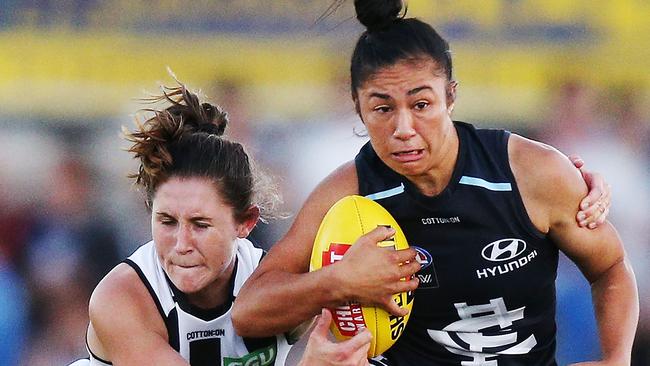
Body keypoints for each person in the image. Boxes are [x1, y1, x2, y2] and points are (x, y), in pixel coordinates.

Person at [232, 1, 638, 365]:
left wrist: (617, 357)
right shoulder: (348, 193)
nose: (403, 128)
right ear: (357, 107)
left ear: (451, 97)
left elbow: (611, 267)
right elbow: (249, 310)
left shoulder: (531, 172)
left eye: (421, 104)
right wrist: (338, 281)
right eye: (382, 108)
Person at [76, 82, 298, 365]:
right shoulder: (121, 296)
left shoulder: (280, 285)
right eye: (167, 221)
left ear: (245, 222)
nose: (181, 245)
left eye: (200, 224)